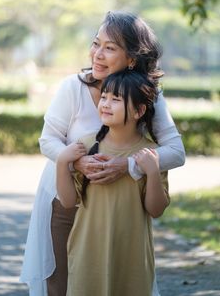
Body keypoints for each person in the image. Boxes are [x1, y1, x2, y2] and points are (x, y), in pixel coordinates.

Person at [20, 11, 185, 296]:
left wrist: (128, 165)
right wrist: (78, 162)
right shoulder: (73, 87)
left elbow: (176, 152)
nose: (97, 54)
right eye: (96, 44)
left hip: (119, 209)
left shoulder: (148, 95)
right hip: (66, 201)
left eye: (110, 48)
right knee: (62, 285)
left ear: (132, 58)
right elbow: (48, 141)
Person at [56, 70, 170, 296]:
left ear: (139, 110)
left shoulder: (152, 153)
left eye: (116, 99)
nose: (106, 104)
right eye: (104, 96)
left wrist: (153, 172)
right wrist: (62, 162)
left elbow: (156, 210)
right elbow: (68, 202)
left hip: (132, 258)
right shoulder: (85, 146)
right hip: (88, 254)